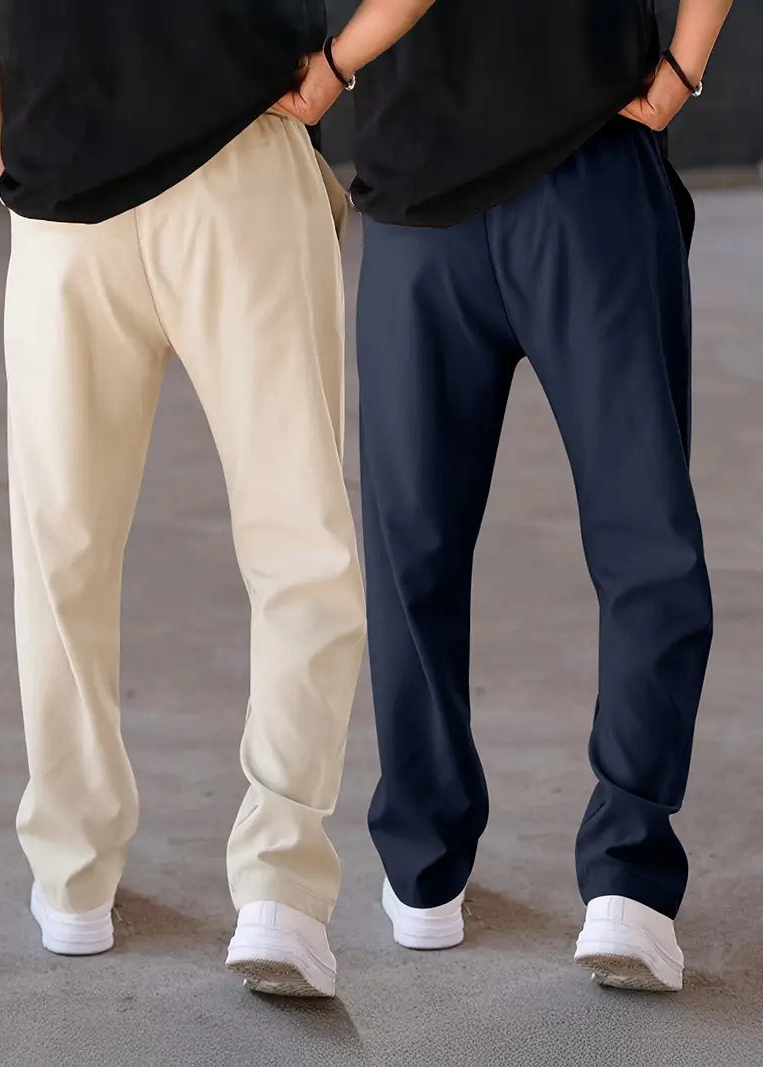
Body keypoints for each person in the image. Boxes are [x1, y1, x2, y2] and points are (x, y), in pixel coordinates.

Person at [0, 0, 429, 999]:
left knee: (62, 554)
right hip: (236, 167)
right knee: (297, 540)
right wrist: (337, 66)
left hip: (69, 188)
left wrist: (8, 158)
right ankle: (280, 887)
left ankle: (73, 871)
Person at [282, 0, 733, 993]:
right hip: (492, 186)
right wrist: (680, 69)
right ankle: (509, 867)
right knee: (472, 545)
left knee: (482, 547)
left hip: (523, 179)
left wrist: (332, 68)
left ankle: (533, 871)